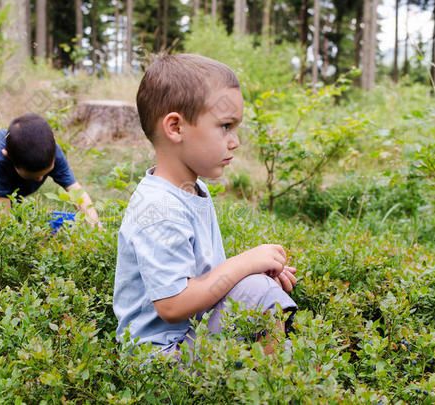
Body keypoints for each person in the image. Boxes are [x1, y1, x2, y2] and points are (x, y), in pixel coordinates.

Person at [113, 54, 298, 357]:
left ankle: (278, 375)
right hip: (162, 362)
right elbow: (173, 305)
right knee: (257, 291)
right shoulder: (157, 207)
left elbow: (204, 281)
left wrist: (250, 275)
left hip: (190, 338)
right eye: (225, 126)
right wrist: (245, 265)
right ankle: (277, 383)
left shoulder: (192, 190)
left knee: (256, 287)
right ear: (176, 128)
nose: (234, 141)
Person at [0, 113, 100, 226]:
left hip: (9, 192)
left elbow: (76, 191)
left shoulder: (50, 150)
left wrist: (96, 227)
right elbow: (4, 220)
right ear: (8, 156)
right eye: (34, 176)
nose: (40, 180)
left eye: (45, 174)